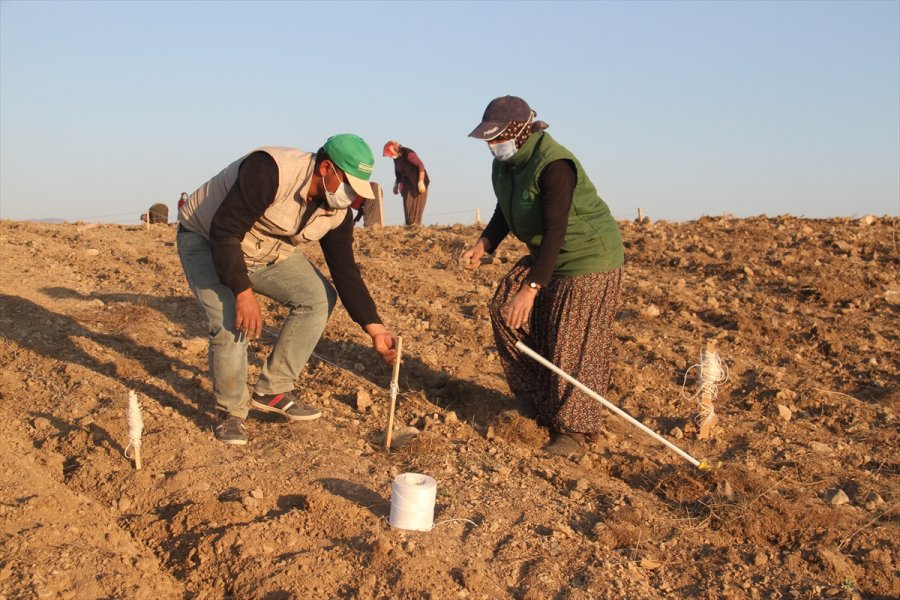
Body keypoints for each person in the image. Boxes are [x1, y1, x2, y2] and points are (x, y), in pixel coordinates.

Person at [177, 134, 398, 446]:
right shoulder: (270, 170)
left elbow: (345, 270)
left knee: (318, 297)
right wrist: (243, 293)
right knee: (230, 323)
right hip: (207, 239)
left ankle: (273, 389)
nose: (350, 197)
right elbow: (224, 231)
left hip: (266, 250)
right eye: (348, 186)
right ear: (325, 168)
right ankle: (231, 414)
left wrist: (374, 328)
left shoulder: (336, 212)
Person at [461, 96, 624, 457]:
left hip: (586, 257)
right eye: (488, 138)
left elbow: (556, 230)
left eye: (497, 137)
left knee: (572, 342)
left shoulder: (554, 165)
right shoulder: (505, 165)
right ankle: (533, 398)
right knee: (505, 309)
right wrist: (484, 244)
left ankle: (574, 430)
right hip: (546, 253)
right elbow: (505, 210)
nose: (491, 145)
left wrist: (532, 287)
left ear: (519, 130)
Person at [383, 140, 430, 226]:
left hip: (417, 182)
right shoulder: (396, 158)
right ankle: (409, 226)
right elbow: (398, 172)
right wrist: (396, 184)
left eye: (390, 154)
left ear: (395, 150)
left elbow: (421, 165)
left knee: (415, 206)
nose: (390, 157)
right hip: (407, 183)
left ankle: (415, 227)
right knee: (408, 205)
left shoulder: (407, 153)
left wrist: (420, 182)